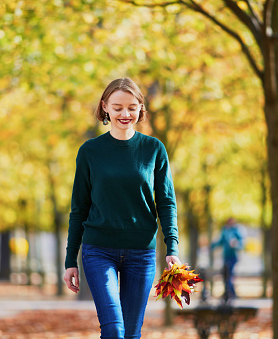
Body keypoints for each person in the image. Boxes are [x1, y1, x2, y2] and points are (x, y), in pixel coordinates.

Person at [63, 78, 181, 339]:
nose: (125, 114)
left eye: (132, 107)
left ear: (141, 108)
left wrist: (172, 247)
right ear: (105, 107)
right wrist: (71, 259)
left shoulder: (154, 150)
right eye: (117, 107)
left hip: (141, 253)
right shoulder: (90, 151)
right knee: (114, 330)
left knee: (131, 333)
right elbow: (79, 208)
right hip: (98, 250)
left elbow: (166, 202)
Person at [211, 217, 243, 299]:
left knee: (230, 274)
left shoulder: (236, 231)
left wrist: (235, 245)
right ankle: (229, 292)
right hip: (226, 256)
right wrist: (212, 245)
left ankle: (230, 293)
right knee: (225, 274)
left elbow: (241, 244)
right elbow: (220, 241)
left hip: (233, 256)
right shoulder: (224, 231)